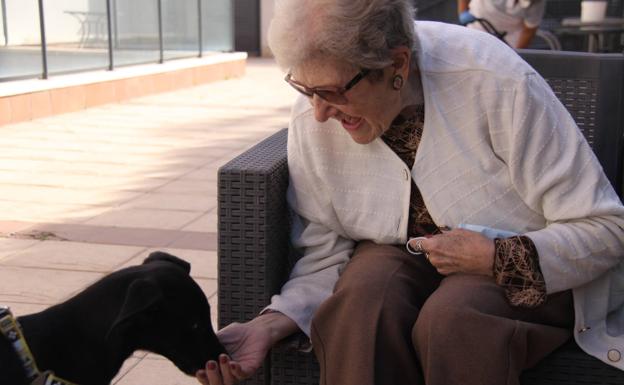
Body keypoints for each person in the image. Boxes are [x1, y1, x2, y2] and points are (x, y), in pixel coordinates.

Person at [196, 0, 624, 384]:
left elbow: (606, 228)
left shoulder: (494, 81)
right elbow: (323, 253)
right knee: (363, 304)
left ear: (397, 65)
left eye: (331, 93)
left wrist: (497, 257)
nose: (318, 113)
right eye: (305, 90)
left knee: (454, 320)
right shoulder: (316, 111)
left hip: (519, 257)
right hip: (395, 253)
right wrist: (271, 323)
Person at [457, 0, 546, 48]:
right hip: (476, 27)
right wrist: (463, 12)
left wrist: (517, 53)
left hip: (508, 40)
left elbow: (529, 30)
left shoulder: (536, 2)